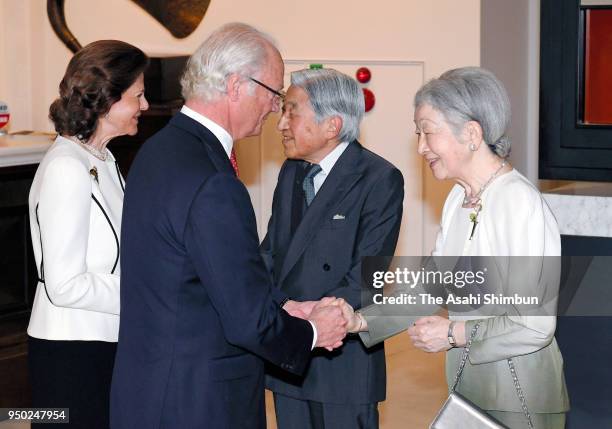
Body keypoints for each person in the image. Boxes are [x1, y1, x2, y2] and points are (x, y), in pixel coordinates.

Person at [110, 23, 347, 429]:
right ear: (237, 85)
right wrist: (310, 331)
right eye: (273, 94)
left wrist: (281, 305)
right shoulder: (212, 180)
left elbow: (199, 276)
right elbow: (246, 322)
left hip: (150, 387)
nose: (276, 109)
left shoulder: (158, 150)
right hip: (198, 402)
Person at [344, 67, 569, 428]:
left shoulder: (518, 202)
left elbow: (534, 324)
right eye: (417, 134)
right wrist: (359, 320)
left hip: (519, 397)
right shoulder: (458, 199)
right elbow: (431, 287)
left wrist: (452, 333)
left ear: (471, 133)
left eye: (428, 132)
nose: (420, 147)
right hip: (469, 388)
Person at [261, 68, 404, 429]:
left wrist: (318, 319)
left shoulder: (379, 178)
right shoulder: (291, 172)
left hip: (342, 358)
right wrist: (272, 305)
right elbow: (272, 253)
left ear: (332, 125)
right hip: (291, 349)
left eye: (292, 111)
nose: (281, 124)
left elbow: (366, 278)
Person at [27, 40, 149, 428]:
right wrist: (144, 291)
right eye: (138, 96)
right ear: (106, 100)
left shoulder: (102, 158)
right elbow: (63, 285)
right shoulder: (67, 167)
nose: (145, 106)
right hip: (71, 352)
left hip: (102, 340)